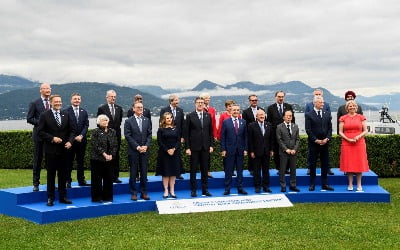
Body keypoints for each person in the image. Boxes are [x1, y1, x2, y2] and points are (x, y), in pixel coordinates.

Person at [37, 94, 75, 206]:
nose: (58, 103)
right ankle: (50, 197)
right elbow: (40, 132)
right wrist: (52, 138)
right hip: (51, 150)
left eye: (60, 101)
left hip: (64, 150)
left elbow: (72, 131)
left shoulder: (66, 114)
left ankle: (63, 197)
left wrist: (70, 141)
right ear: (51, 103)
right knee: (51, 175)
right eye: (56, 101)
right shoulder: (44, 115)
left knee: (63, 175)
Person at [184, 97, 214, 197]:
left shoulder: (208, 115)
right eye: (198, 103)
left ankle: (205, 190)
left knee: (205, 170)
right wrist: (187, 147)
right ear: (195, 104)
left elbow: (210, 132)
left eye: (202, 102)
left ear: (204, 104)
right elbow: (186, 133)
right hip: (194, 148)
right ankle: (193, 190)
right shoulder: (189, 116)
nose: (200, 104)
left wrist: (211, 145)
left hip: (205, 147)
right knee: (193, 170)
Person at [338, 100, 369, 191]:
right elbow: (340, 132)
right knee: (349, 164)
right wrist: (348, 139)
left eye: (353, 106)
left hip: (359, 143)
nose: (352, 107)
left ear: (356, 107)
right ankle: (350, 184)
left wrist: (358, 137)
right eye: (350, 106)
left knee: (359, 164)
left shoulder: (361, 117)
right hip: (347, 143)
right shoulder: (343, 118)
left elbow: (365, 130)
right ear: (347, 108)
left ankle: (359, 185)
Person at [305, 96, 334, 191]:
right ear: (315, 103)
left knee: (325, 164)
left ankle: (324, 184)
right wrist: (316, 140)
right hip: (314, 144)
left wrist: (327, 138)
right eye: (320, 102)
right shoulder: (309, 114)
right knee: (312, 164)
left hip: (325, 143)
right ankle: (312, 184)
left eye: (323, 102)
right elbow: (308, 130)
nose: (323, 104)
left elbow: (330, 129)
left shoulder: (327, 114)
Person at [125, 102, 152, 201]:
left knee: (144, 173)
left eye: (141, 107)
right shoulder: (128, 121)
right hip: (134, 151)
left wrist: (146, 146)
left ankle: (144, 192)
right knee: (133, 173)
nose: (140, 109)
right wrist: (137, 147)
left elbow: (149, 135)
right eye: (138, 107)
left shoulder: (147, 120)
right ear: (133, 109)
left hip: (145, 151)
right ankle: (133, 193)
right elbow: (128, 136)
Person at [27, 83, 51, 191]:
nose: (48, 90)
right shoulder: (34, 103)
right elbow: (29, 118)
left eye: (49, 88)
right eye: (45, 88)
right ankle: (36, 183)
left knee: (51, 161)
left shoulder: (53, 102)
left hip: (51, 137)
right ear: (40, 90)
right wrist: (42, 123)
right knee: (38, 160)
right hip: (39, 136)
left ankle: (50, 183)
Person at [220, 104, 248, 195]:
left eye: (237, 110)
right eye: (234, 110)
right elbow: (222, 137)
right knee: (228, 170)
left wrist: (245, 149)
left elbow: (245, 137)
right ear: (231, 111)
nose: (236, 112)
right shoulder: (226, 122)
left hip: (240, 150)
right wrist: (223, 149)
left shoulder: (243, 122)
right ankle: (227, 188)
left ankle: (240, 188)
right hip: (229, 150)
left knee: (240, 171)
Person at [97, 90, 123, 183]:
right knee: (106, 156)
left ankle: (115, 176)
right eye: (111, 96)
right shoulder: (102, 108)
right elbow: (99, 123)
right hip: (106, 136)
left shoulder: (119, 108)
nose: (113, 98)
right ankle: (107, 176)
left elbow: (119, 122)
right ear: (107, 97)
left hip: (116, 136)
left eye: (114, 97)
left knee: (116, 156)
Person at [90, 114, 118, 202]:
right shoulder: (95, 131)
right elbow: (95, 145)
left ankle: (108, 197)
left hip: (109, 159)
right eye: (103, 120)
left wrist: (111, 155)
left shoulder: (112, 131)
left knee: (109, 178)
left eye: (106, 120)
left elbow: (115, 144)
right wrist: (104, 154)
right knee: (97, 179)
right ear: (99, 122)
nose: (105, 122)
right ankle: (97, 197)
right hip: (97, 159)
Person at [266, 90, 295, 173]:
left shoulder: (289, 106)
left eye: (282, 97)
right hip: (275, 135)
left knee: (288, 151)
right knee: (278, 153)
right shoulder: (271, 108)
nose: (281, 98)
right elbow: (269, 122)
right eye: (279, 96)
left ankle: (286, 169)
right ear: (276, 97)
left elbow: (293, 120)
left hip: (287, 134)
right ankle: (279, 169)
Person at [65, 93, 90, 187]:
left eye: (78, 99)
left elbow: (86, 125)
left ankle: (81, 180)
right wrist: (74, 137)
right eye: (75, 99)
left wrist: (81, 135)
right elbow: (65, 127)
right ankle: (68, 181)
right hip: (70, 142)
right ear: (71, 100)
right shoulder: (66, 111)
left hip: (81, 141)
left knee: (81, 161)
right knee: (69, 161)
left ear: (80, 100)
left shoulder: (84, 112)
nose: (77, 100)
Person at [248, 109, 273, 193]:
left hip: (266, 152)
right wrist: (251, 151)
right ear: (256, 116)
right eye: (260, 115)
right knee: (256, 171)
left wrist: (271, 150)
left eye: (263, 114)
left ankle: (266, 186)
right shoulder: (251, 126)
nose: (262, 116)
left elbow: (271, 139)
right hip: (256, 152)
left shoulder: (269, 125)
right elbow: (250, 140)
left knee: (266, 170)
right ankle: (257, 187)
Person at [160, 94, 185, 179]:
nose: (178, 102)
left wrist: (182, 136)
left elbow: (183, 124)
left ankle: (178, 173)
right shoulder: (164, 110)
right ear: (171, 101)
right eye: (176, 100)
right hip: (167, 137)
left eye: (178, 100)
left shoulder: (180, 110)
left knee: (177, 156)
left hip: (177, 138)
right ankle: (168, 172)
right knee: (167, 157)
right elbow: (162, 123)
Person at [157, 112, 181, 198]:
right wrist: (167, 150)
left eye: (170, 118)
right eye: (167, 118)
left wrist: (174, 149)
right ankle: (166, 190)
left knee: (173, 172)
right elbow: (160, 142)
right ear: (164, 119)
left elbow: (178, 141)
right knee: (166, 173)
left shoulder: (176, 129)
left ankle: (172, 190)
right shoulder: (161, 130)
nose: (169, 119)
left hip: (175, 153)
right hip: (164, 154)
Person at [276, 110, 300, 192]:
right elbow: (279, 140)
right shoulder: (279, 127)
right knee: (282, 170)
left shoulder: (295, 126)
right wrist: (286, 149)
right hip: (283, 152)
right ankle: (283, 186)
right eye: (287, 116)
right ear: (283, 117)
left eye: (290, 116)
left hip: (293, 152)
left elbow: (297, 140)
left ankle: (293, 185)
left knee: (293, 170)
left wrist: (294, 149)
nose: (289, 117)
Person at [242, 94, 264, 176]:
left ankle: (260, 168)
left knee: (261, 152)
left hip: (261, 136)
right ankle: (251, 169)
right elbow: (244, 124)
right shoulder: (245, 112)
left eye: (255, 100)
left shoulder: (262, 110)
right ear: (249, 101)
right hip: (250, 135)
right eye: (252, 100)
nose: (254, 102)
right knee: (252, 152)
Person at [199, 92, 217, 178]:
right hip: (200, 135)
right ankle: (202, 170)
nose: (207, 99)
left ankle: (208, 171)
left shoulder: (213, 110)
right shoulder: (199, 109)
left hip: (209, 135)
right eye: (206, 98)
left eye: (209, 98)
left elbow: (214, 123)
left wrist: (215, 134)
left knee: (208, 154)